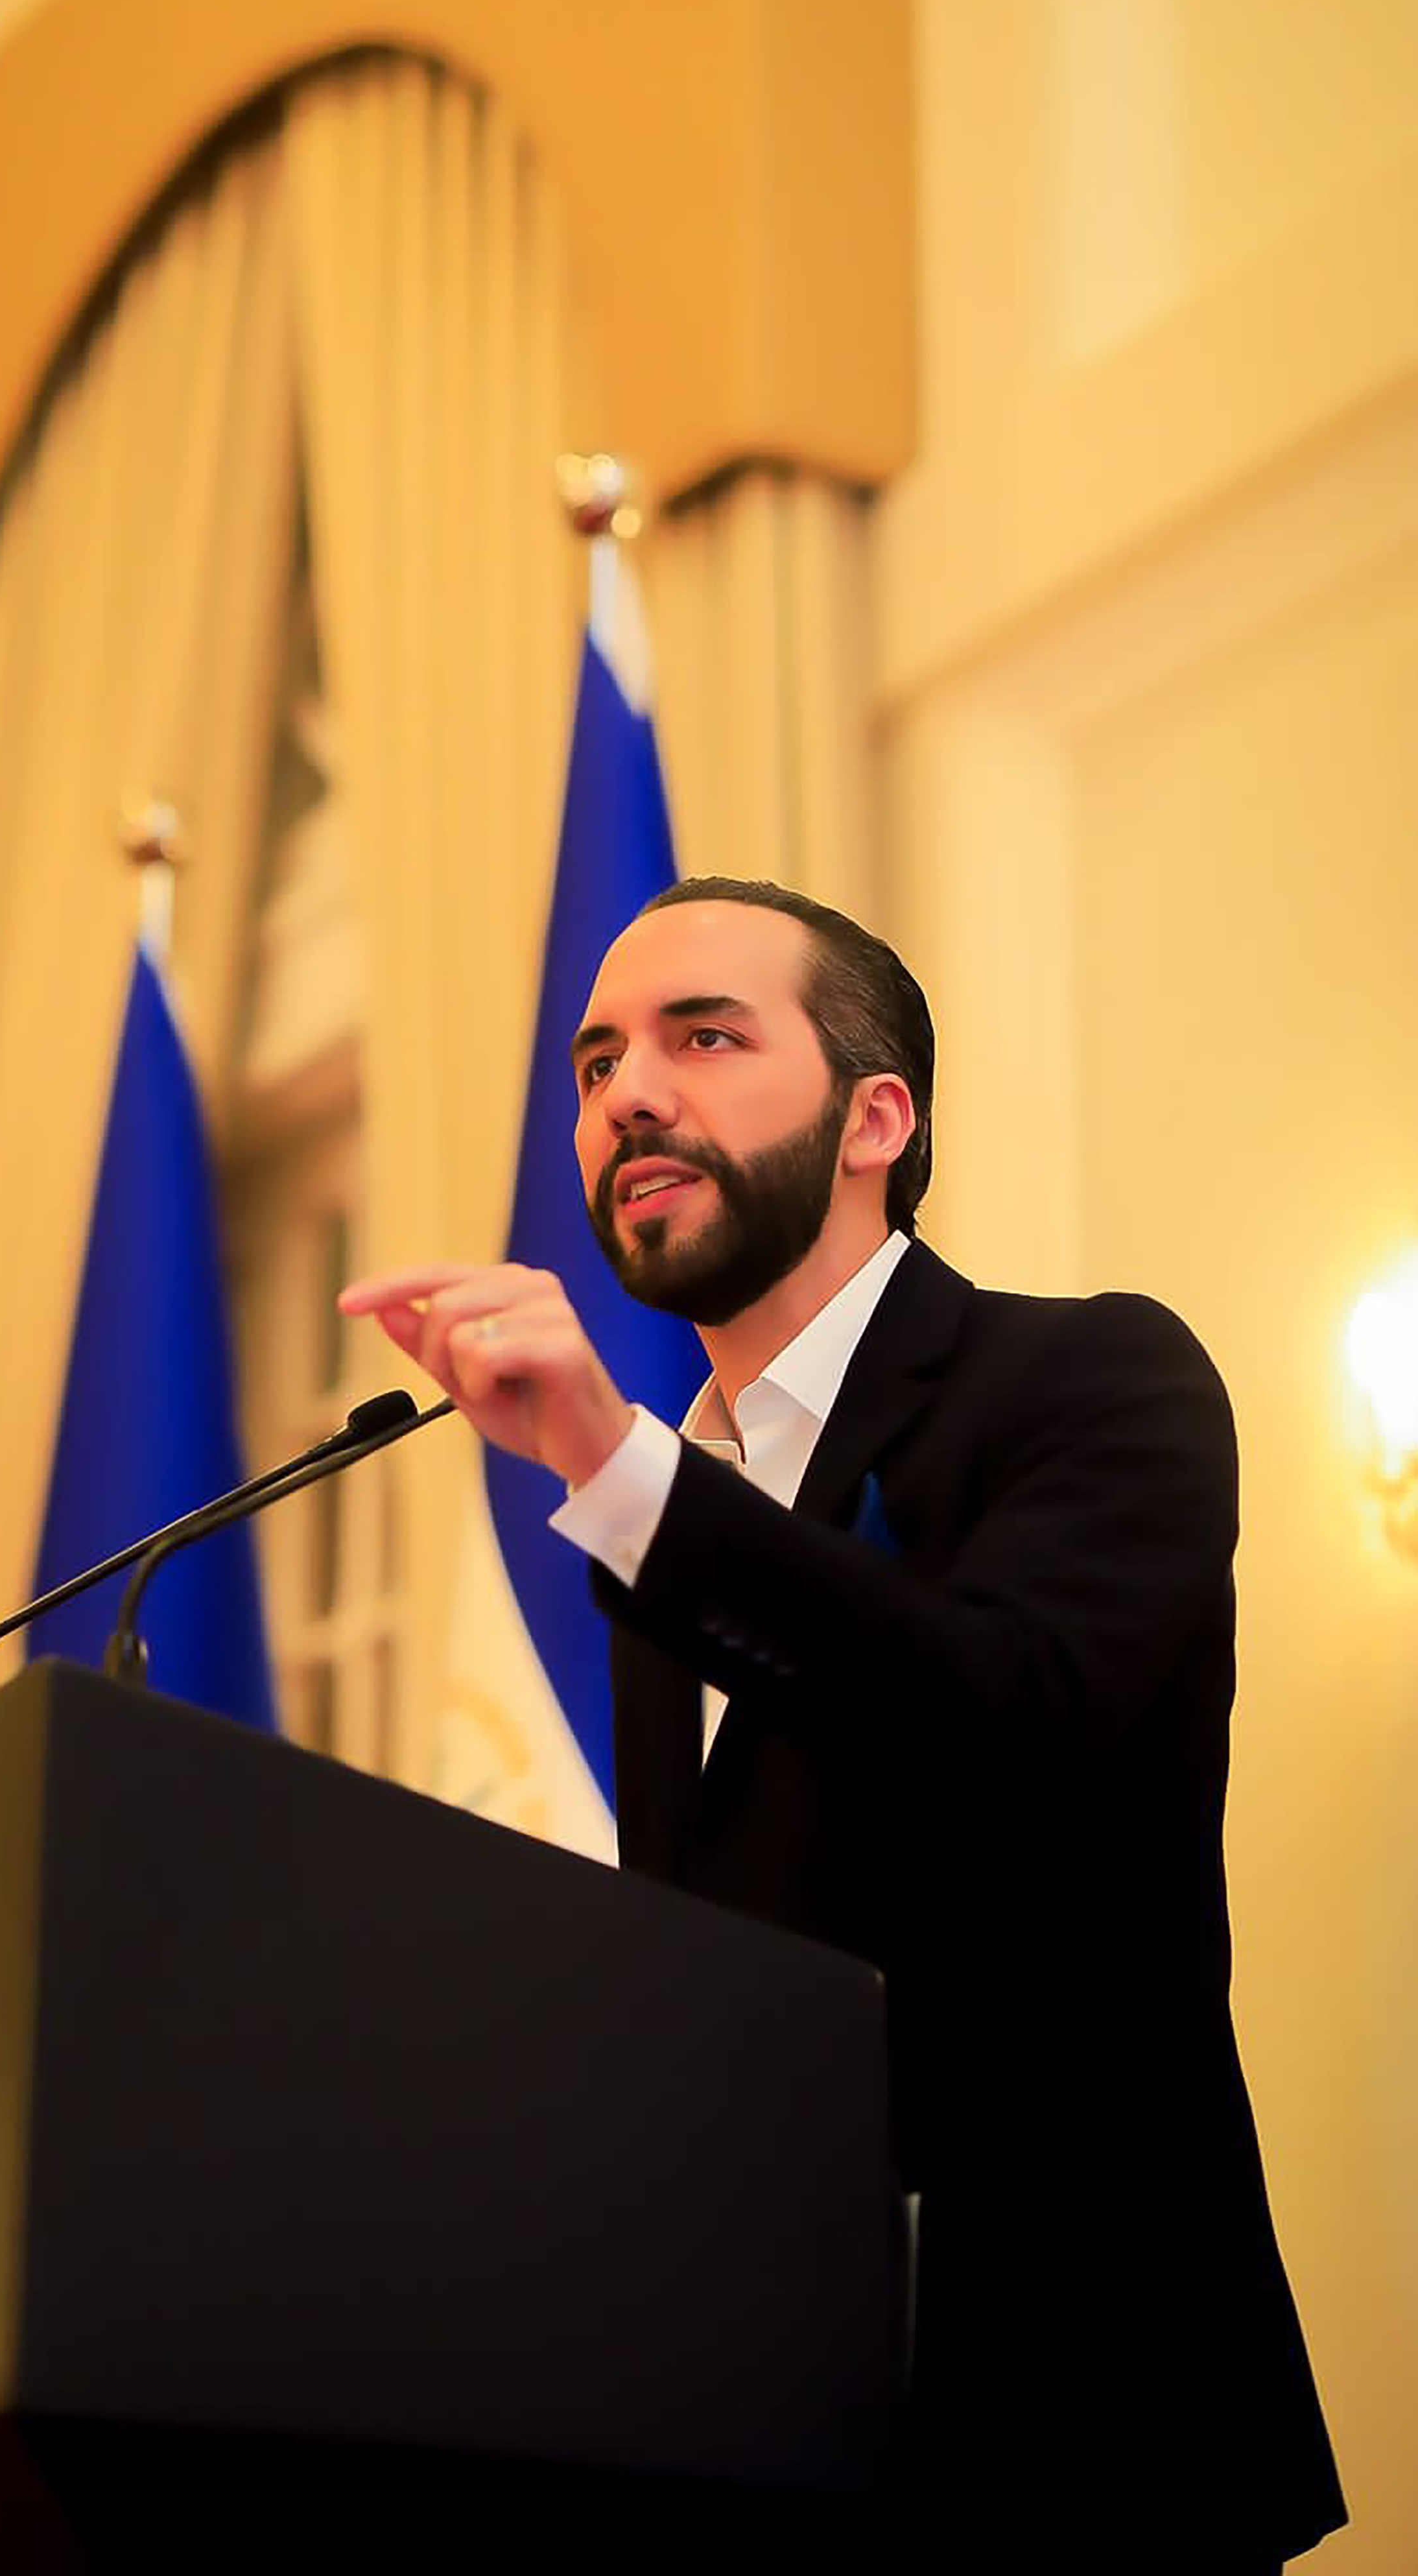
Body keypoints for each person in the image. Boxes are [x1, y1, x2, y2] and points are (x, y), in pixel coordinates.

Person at [340, 876, 1345, 2571]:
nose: (625, 1096)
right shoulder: (667, 1531)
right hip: (767, 2435)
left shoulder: (1091, 1383)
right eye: (596, 1065)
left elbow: (1006, 1721)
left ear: (879, 1113)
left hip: (1078, 2426)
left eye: (703, 1036)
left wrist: (621, 1472)